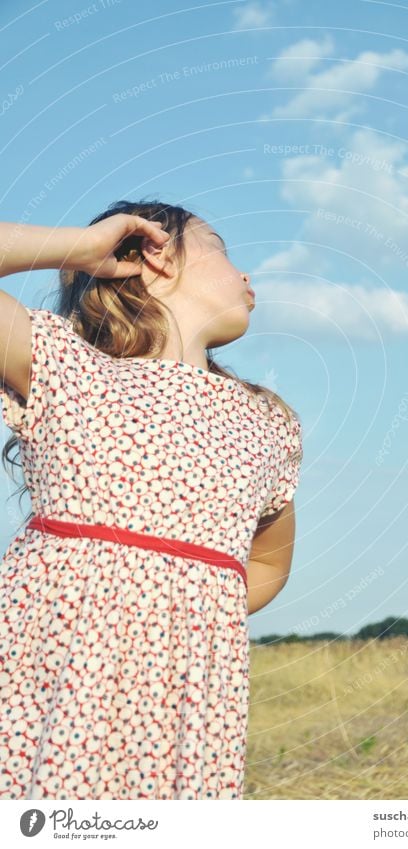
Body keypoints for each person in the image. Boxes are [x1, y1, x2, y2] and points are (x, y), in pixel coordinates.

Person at [0, 199, 303, 800]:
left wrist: (181, 610)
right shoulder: (63, 367)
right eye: (222, 248)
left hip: (186, 699)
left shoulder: (269, 422)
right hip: (54, 669)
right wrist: (78, 246)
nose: (248, 276)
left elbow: (267, 561)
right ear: (156, 259)